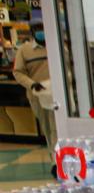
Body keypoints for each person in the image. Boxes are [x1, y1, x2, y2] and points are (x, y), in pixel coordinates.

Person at [12, 24, 55, 152]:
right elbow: (18, 72)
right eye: (37, 29)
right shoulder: (24, 50)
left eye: (42, 28)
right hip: (39, 96)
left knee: (58, 127)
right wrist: (32, 84)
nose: (41, 32)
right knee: (48, 127)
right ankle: (55, 159)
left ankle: (62, 157)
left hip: (59, 94)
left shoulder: (56, 46)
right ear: (32, 32)